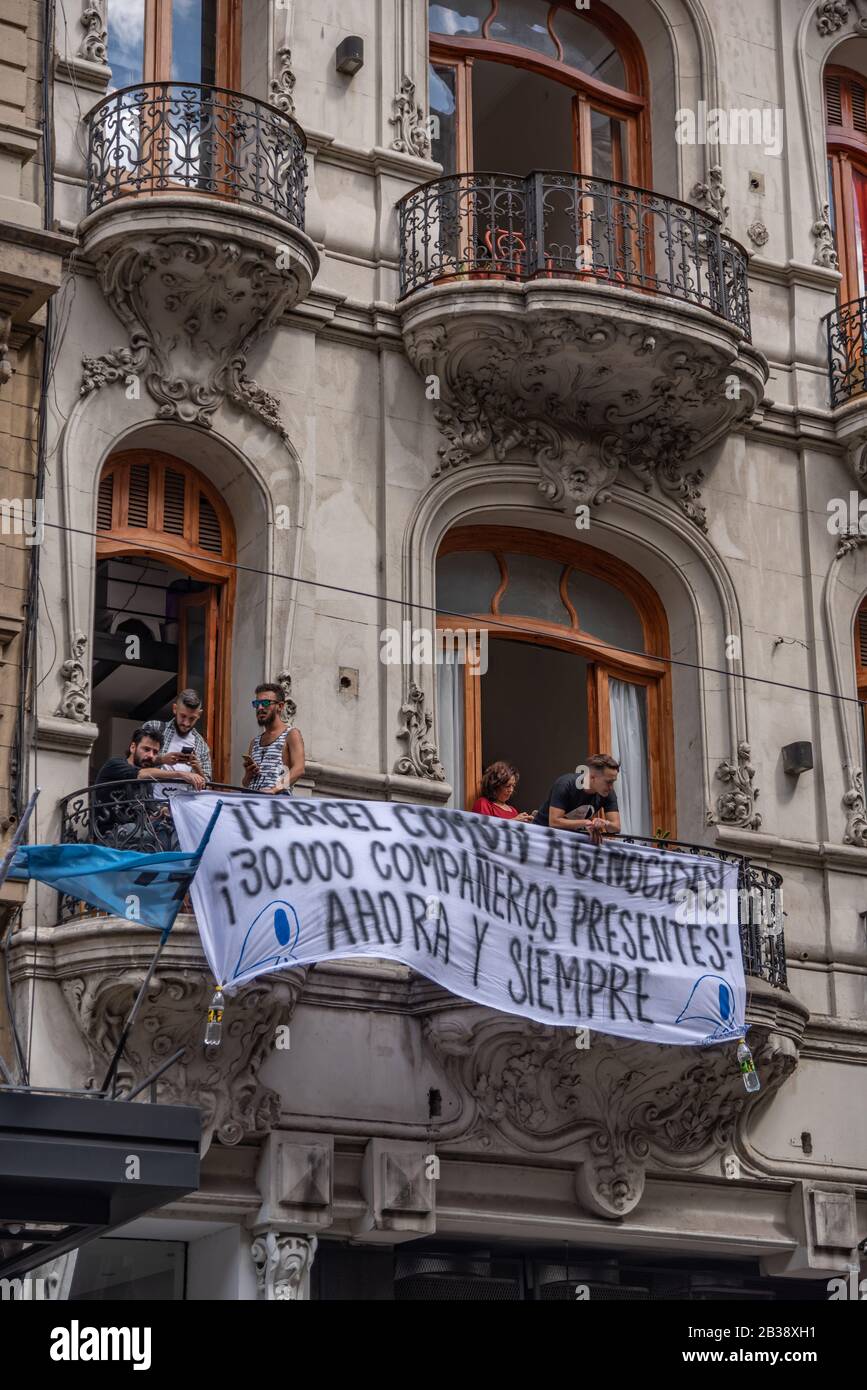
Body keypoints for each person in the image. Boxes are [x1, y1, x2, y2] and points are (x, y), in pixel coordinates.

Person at [94, 728, 205, 847]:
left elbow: (149, 817)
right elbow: (141, 773)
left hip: (137, 832)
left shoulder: (146, 785)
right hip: (109, 834)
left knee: (175, 830)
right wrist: (181, 774)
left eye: (155, 752)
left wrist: (162, 813)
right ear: (133, 747)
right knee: (150, 836)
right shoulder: (115, 764)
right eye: (146, 749)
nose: (151, 755)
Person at [534, 753, 621, 844]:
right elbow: (554, 822)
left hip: (566, 839)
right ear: (592, 777)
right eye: (608, 782)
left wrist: (604, 823)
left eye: (613, 782)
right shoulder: (565, 784)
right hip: (540, 834)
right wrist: (586, 823)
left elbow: (616, 827)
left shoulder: (608, 792)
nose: (611, 787)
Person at [142, 689, 213, 799]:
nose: (186, 723)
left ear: (199, 715)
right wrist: (162, 760)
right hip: (150, 806)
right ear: (175, 709)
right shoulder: (154, 728)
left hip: (183, 811)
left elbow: (207, 788)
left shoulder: (202, 746)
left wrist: (197, 769)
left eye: (192, 718)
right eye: (183, 716)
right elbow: (134, 762)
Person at [242, 682, 305, 794]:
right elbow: (246, 783)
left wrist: (274, 790)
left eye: (265, 703)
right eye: (257, 703)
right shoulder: (255, 742)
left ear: (280, 706)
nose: (260, 708)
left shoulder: (291, 734)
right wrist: (248, 774)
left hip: (276, 803)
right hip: (252, 801)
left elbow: (299, 769)